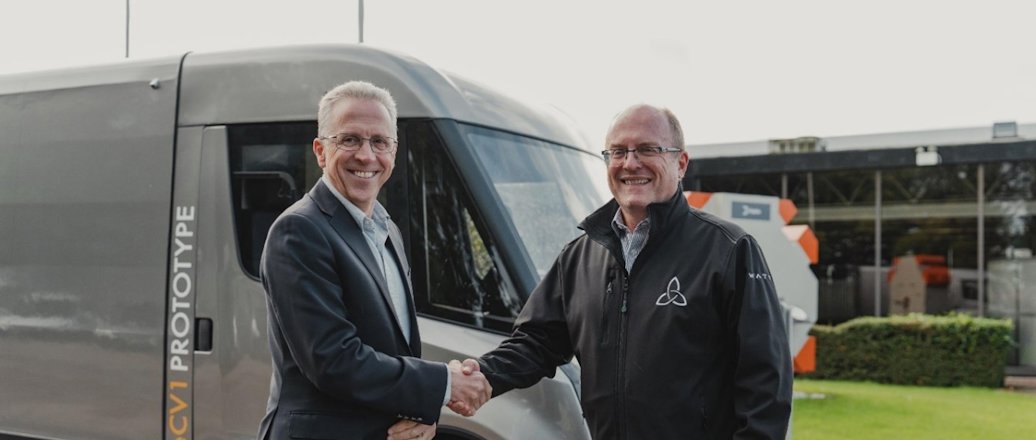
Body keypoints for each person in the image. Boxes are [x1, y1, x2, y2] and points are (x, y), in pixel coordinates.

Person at [454, 104, 792, 439]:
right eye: (618, 151)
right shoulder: (579, 257)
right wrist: (484, 374)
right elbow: (536, 343)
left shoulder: (730, 250)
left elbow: (766, 382)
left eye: (647, 149)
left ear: (681, 163)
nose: (630, 163)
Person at [258, 81, 491, 440]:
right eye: (349, 140)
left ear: (393, 153)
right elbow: (333, 360)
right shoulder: (299, 230)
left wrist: (421, 413)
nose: (366, 156)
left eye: (380, 142)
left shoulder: (388, 232)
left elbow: (394, 350)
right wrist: (444, 385)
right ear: (320, 151)